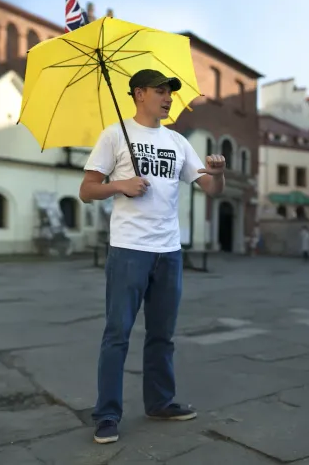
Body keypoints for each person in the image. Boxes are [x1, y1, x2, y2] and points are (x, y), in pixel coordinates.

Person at [79, 68, 226, 444]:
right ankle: (107, 414)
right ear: (139, 93)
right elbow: (87, 189)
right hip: (129, 250)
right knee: (117, 334)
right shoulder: (114, 134)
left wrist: (217, 173)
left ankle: (160, 402)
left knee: (162, 335)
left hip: (169, 252)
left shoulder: (177, 141)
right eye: (160, 91)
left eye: (170, 92)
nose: (168, 98)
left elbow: (210, 188)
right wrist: (121, 185)